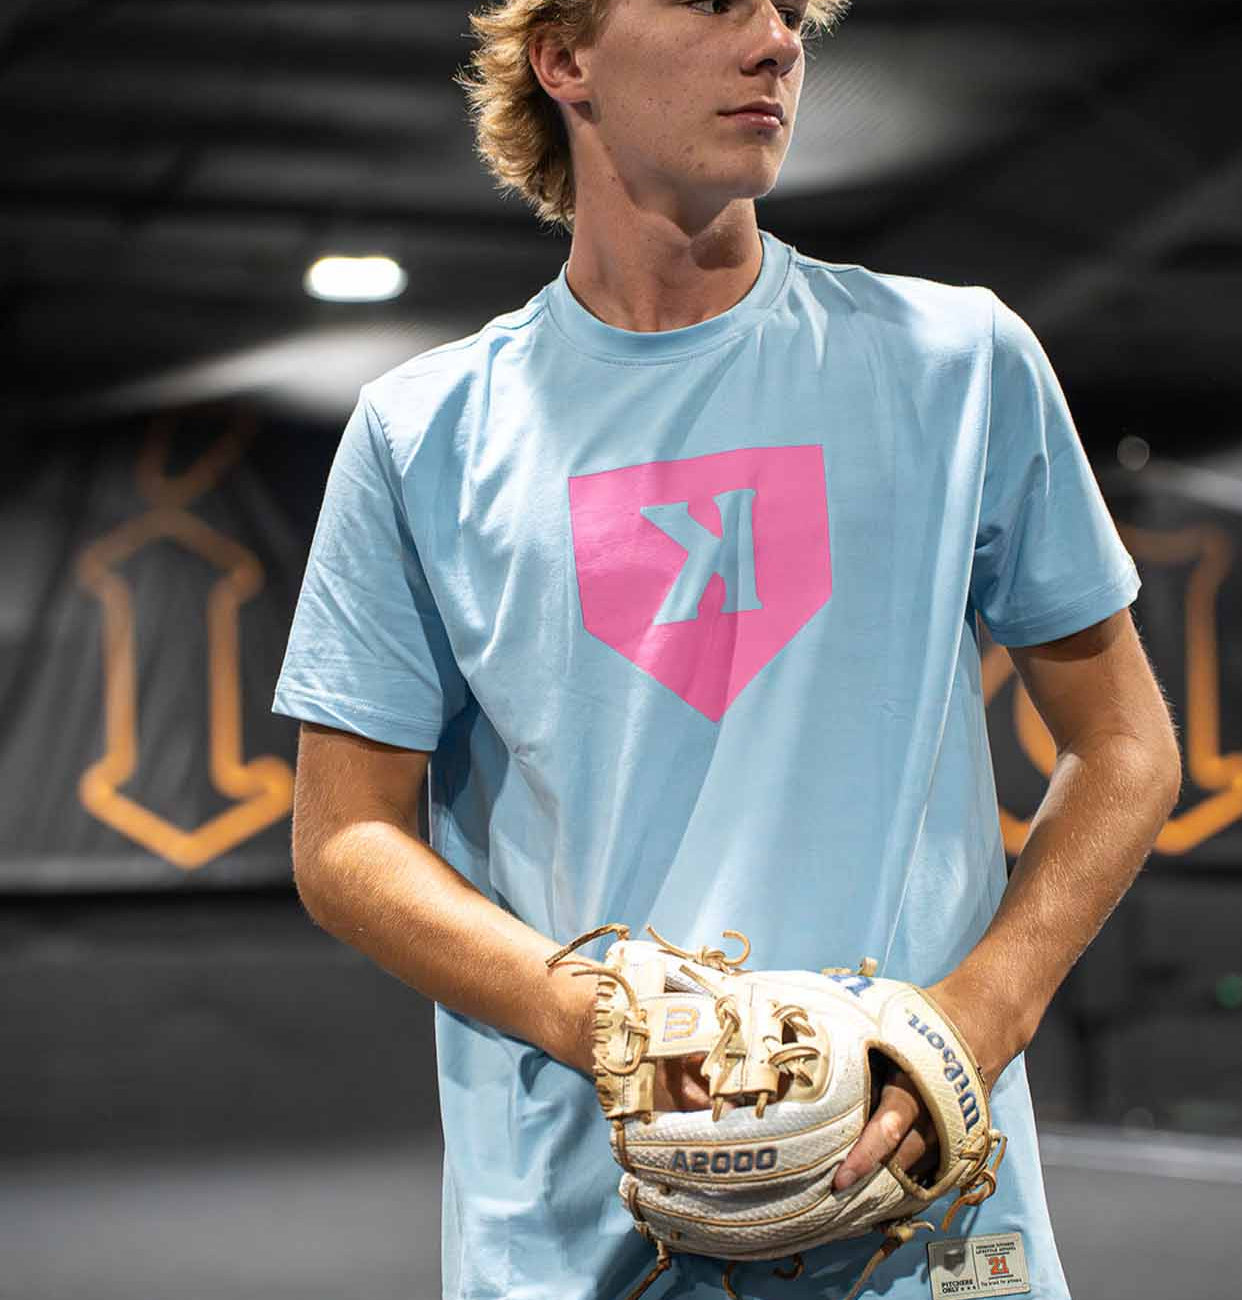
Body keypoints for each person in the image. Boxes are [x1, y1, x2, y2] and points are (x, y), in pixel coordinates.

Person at [272, 0, 1182, 1294]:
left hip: (922, 1234)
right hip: (576, 1238)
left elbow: (1126, 743)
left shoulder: (958, 361)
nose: (775, 41)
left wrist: (975, 1020)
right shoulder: (424, 432)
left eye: (789, 9)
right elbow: (345, 839)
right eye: (712, 1)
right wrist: (597, 1021)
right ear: (563, 57)